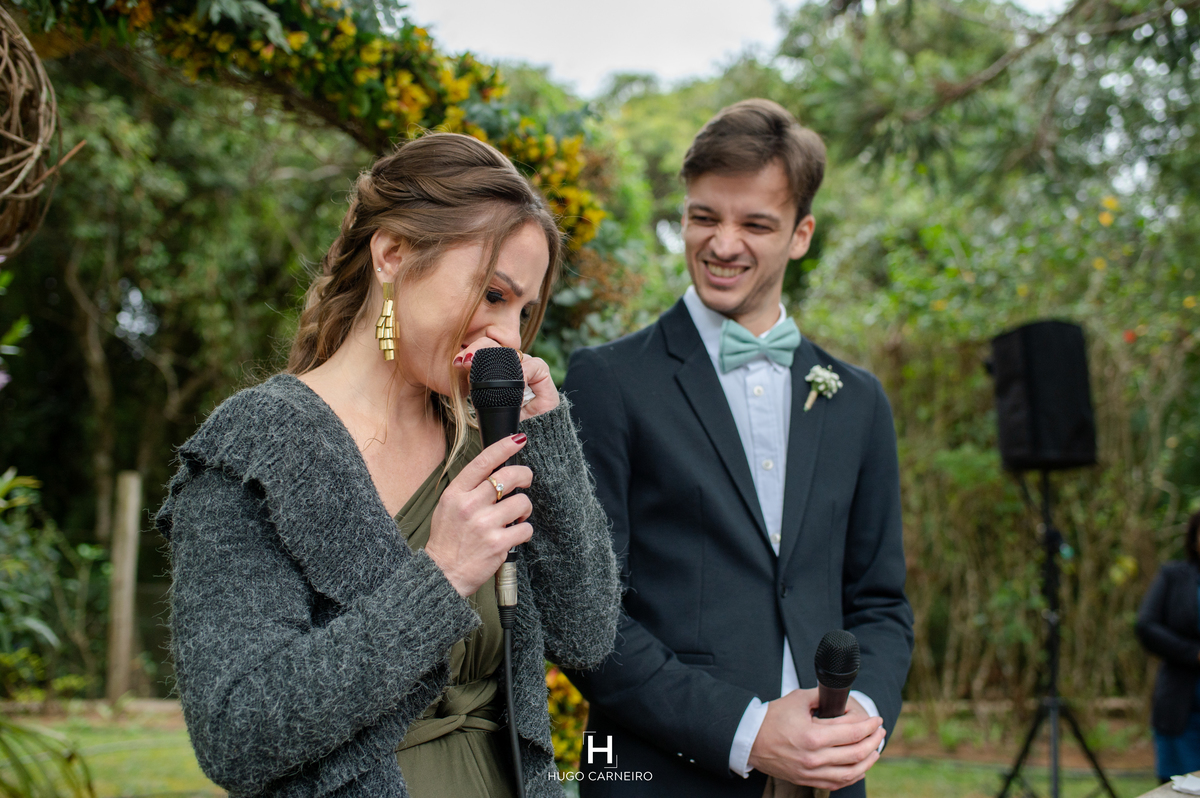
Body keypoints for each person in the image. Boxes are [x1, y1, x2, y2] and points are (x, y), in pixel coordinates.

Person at [155, 132, 621, 798]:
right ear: (393, 255)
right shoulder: (256, 447)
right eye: (494, 295)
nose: (509, 336)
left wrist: (546, 435)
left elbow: (586, 635)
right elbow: (237, 735)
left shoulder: (479, 438)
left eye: (524, 311)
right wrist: (443, 576)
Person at [561, 99, 913, 798]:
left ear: (801, 234)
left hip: (829, 784)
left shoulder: (859, 400)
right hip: (658, 776)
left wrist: (860, 718)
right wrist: (747, 731)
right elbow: (587, 616)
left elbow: (880, 603)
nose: (723, 244)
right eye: (704, 217)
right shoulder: (609, 381)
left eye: (755, 224)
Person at [1137, 510, 1200, 783]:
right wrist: (1193, 653)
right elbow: (1146, 625)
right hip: (1182, 701)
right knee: (1179, 786)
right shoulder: (1173, 576)